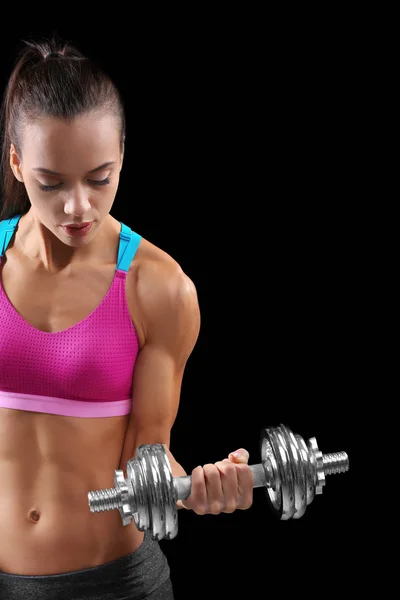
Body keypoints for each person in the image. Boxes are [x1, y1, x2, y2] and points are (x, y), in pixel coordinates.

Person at [0, 36, 254, 600]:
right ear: (17, 163)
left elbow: (148, 454)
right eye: (51, 182)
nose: (77, 208)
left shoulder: (158, 288)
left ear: (121, 155)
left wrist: (196, 488)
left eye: (99, 178)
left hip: (114, 585)